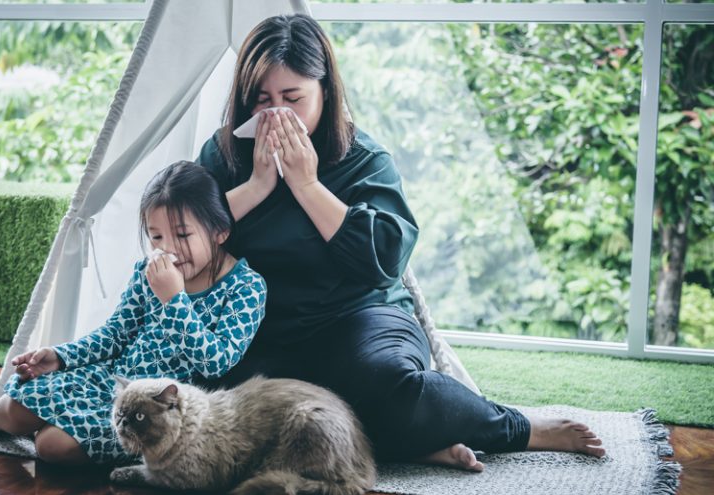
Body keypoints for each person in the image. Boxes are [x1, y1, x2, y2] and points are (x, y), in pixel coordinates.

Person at [196, 14, 605, 471]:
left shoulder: (364, 158)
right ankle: (411, 444)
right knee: (214, 406)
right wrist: (256, 185)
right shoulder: (222, 155)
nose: (275, 116)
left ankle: (516, 428)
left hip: (357, 320)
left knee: (387, 386)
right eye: (262, 101)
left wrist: (308, 186)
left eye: (293, 99)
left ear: (325, 92)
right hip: (261, 330)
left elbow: (384, 262)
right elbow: (187, 239)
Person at [0, 161, 267, 465]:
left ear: (219, 232)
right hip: (112, 376)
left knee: (51, 446)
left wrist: (174, 300)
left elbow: (215, 363)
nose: (168, 249)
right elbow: (115, 333)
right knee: (17, 407)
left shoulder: (246, 287)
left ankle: (42, 426)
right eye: (157, 236)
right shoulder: (149, 270)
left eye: (182, 235)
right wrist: (60, 356)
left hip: (158, 408)